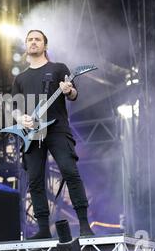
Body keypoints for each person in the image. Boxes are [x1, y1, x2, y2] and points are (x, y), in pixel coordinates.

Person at [11, 30, 94, 239]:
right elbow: (14, 107)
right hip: (32, 133)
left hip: (57, 128)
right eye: (29, 39)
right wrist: (21, 119)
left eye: (37, 39)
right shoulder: (20, 78)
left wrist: (68, 91)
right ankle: (43, 230)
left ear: (44, 45)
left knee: (70, 171)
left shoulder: (58, 69)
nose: (33, 42)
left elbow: (74, 94)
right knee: (35, 180)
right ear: (25, 45)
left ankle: (84, 225)